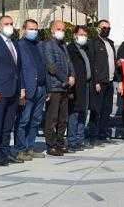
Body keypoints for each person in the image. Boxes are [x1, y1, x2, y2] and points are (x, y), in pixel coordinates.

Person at [0, 15, 25, 166]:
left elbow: (18, 68)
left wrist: (21, 88)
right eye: (6, 24)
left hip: (13, 90)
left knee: (8, 124)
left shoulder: (14, 43)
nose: (9, 26)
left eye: (11, 23)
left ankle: (6, 151)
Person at [14, 19, 48, 160]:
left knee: (36, 119)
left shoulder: (39, 45)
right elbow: (18, 69)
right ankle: (20, 149)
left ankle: (30, 147)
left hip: (41, 88)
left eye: (35, 29)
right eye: (31, 29)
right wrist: (21, 88)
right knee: (23, 120)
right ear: (24, 29)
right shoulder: (19, 45)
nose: (34, 31)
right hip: (27, 89)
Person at [41, 20, 76, 156]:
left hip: (64, 88)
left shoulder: (63, 45)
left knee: (63, 119)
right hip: (55, 86)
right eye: (58, 29)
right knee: (52, 118)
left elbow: (69, 62)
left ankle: (60, 143)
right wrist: (65, 79)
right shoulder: (48, 45)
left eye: (63, 29)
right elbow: (51, 66)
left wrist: (72, 75)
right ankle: (51, 145)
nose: (61, 31)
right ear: (52, 30)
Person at [87, 19, 116, 146]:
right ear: (98, 28)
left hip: (109, 81)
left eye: (108, 28)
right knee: (96, 110)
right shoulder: (93, 43)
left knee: (106, 110)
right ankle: (93, 136)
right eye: (104, 27)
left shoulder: (110, 43)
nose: (106, 30)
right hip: (99, 82)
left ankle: (103, 135)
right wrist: (96, 81)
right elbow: (92, 63)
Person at [66, 26, 94, 151]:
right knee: (74, 114)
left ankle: (80, 139)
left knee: (83, 112)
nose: (83, 37)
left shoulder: (85, 49)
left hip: (86, 85)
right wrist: (71, 89)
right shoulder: (70, 49)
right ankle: (72, 141)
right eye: (81, 34)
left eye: (85, 35)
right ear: (75, 35)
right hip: (76, 86)